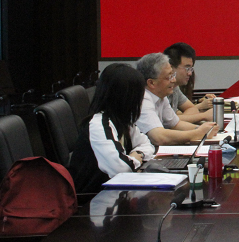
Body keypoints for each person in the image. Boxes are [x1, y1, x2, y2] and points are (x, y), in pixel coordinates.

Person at [68, 63, 156, 193]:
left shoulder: (122, 120)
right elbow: (120, 169)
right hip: (92, 198)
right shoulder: (98, 124)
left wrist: (138, 154)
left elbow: (147, 144)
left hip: (113, 192)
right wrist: (135, 160)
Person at [135, 53, 218, 146]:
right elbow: (159, 137)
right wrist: (198, 133)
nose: (174, 80)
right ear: (151, 83)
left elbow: (176, 124)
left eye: (173, 75)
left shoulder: (161, 95)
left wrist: (203, 129)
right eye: (169, 77)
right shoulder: (142, 99)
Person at [164, 42, 214, 121]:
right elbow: (165, 121)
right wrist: (203, 116)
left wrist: (179, 120)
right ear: (171, 67)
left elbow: (192, 108)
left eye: (191, 69)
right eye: (187, 68)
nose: (190, 73)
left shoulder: (175, 87)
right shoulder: (159, 89)